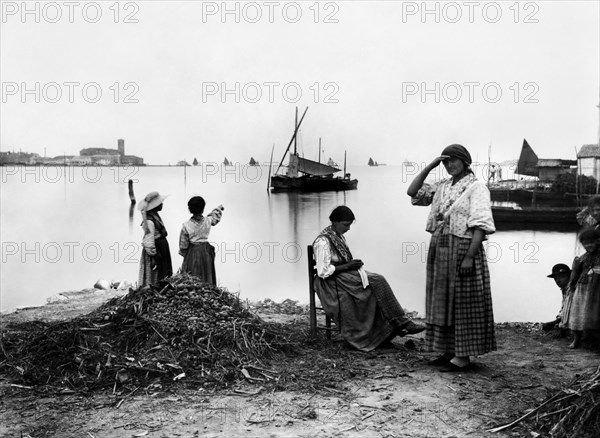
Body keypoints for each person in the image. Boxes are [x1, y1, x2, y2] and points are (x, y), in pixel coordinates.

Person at [407, 144, 496, 372]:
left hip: (464, 247)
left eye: (453, 160)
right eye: (445, 162)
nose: (449, 165)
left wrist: (469, 257)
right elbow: (412, 192)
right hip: (441, 247)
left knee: (462, 302)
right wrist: (430, 166)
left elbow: (481, 226)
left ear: (465, 161)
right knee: (442, 301)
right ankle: (447, 350)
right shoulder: (443, 186)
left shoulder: (476, 187)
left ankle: (463, 356)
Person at [312, 206, 425, 352]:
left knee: (377, 282)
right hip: (329, 282)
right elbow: (323, 271)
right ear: (335, 222)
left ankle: (394, 325)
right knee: (376, 282)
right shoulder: (323, 241)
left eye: (350, 225)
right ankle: (397, 323)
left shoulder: (337, 236)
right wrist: (348, 266)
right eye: (346, 225)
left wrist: (351, 265)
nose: (348, 229)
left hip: (342, 276)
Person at [560, 228, 600, 349]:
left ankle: (594, 339)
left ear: (598, 241)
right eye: (586, 243)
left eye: (591, 242)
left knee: (594, 314)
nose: (589, 245)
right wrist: (571, 285)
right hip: (582, 289)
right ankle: (576, 339)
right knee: (578, 313)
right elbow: (575, 274)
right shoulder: (581, 259)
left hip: (597, 290)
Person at [179, 196, 224, 285]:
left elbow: (183, 245)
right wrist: (219, 208)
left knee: (192, 276)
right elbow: (214, 216)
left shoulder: (186, 225)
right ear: (203, 209)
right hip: (206, 251)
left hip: (192, 252)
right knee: (206, 273)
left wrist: (185, 254)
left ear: (190, 209)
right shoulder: (208, 221)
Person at [138, 191, 173, 287]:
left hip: (161, 246)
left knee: (163, 272)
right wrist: (153, 257)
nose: (162, 204)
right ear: (154, 206)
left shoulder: (155, 216)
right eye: (160, 203)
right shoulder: (149, 221)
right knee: (156, 273)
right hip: (155, 249)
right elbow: (149, 240)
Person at [541, 263, 572, 334]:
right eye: (555, 278)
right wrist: (554, 323)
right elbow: (563, 310)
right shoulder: (565, 290)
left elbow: (570, 312)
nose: (558, 280)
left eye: (561, 277)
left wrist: (560, 327)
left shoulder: (572, 290)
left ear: (569, 276)